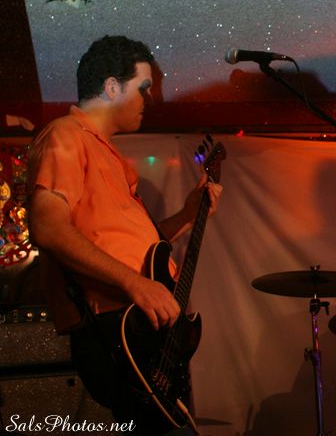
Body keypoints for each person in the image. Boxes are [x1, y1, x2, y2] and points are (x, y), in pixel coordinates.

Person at [27, 35, 223, 434]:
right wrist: (136, 285)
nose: (150, 99)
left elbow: (123, 244)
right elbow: (47, 227)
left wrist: (187, 216)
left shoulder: (107, 154)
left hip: (145, 329)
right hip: (117, 328)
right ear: (112, 87)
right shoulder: (66, 135)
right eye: (144, 87)